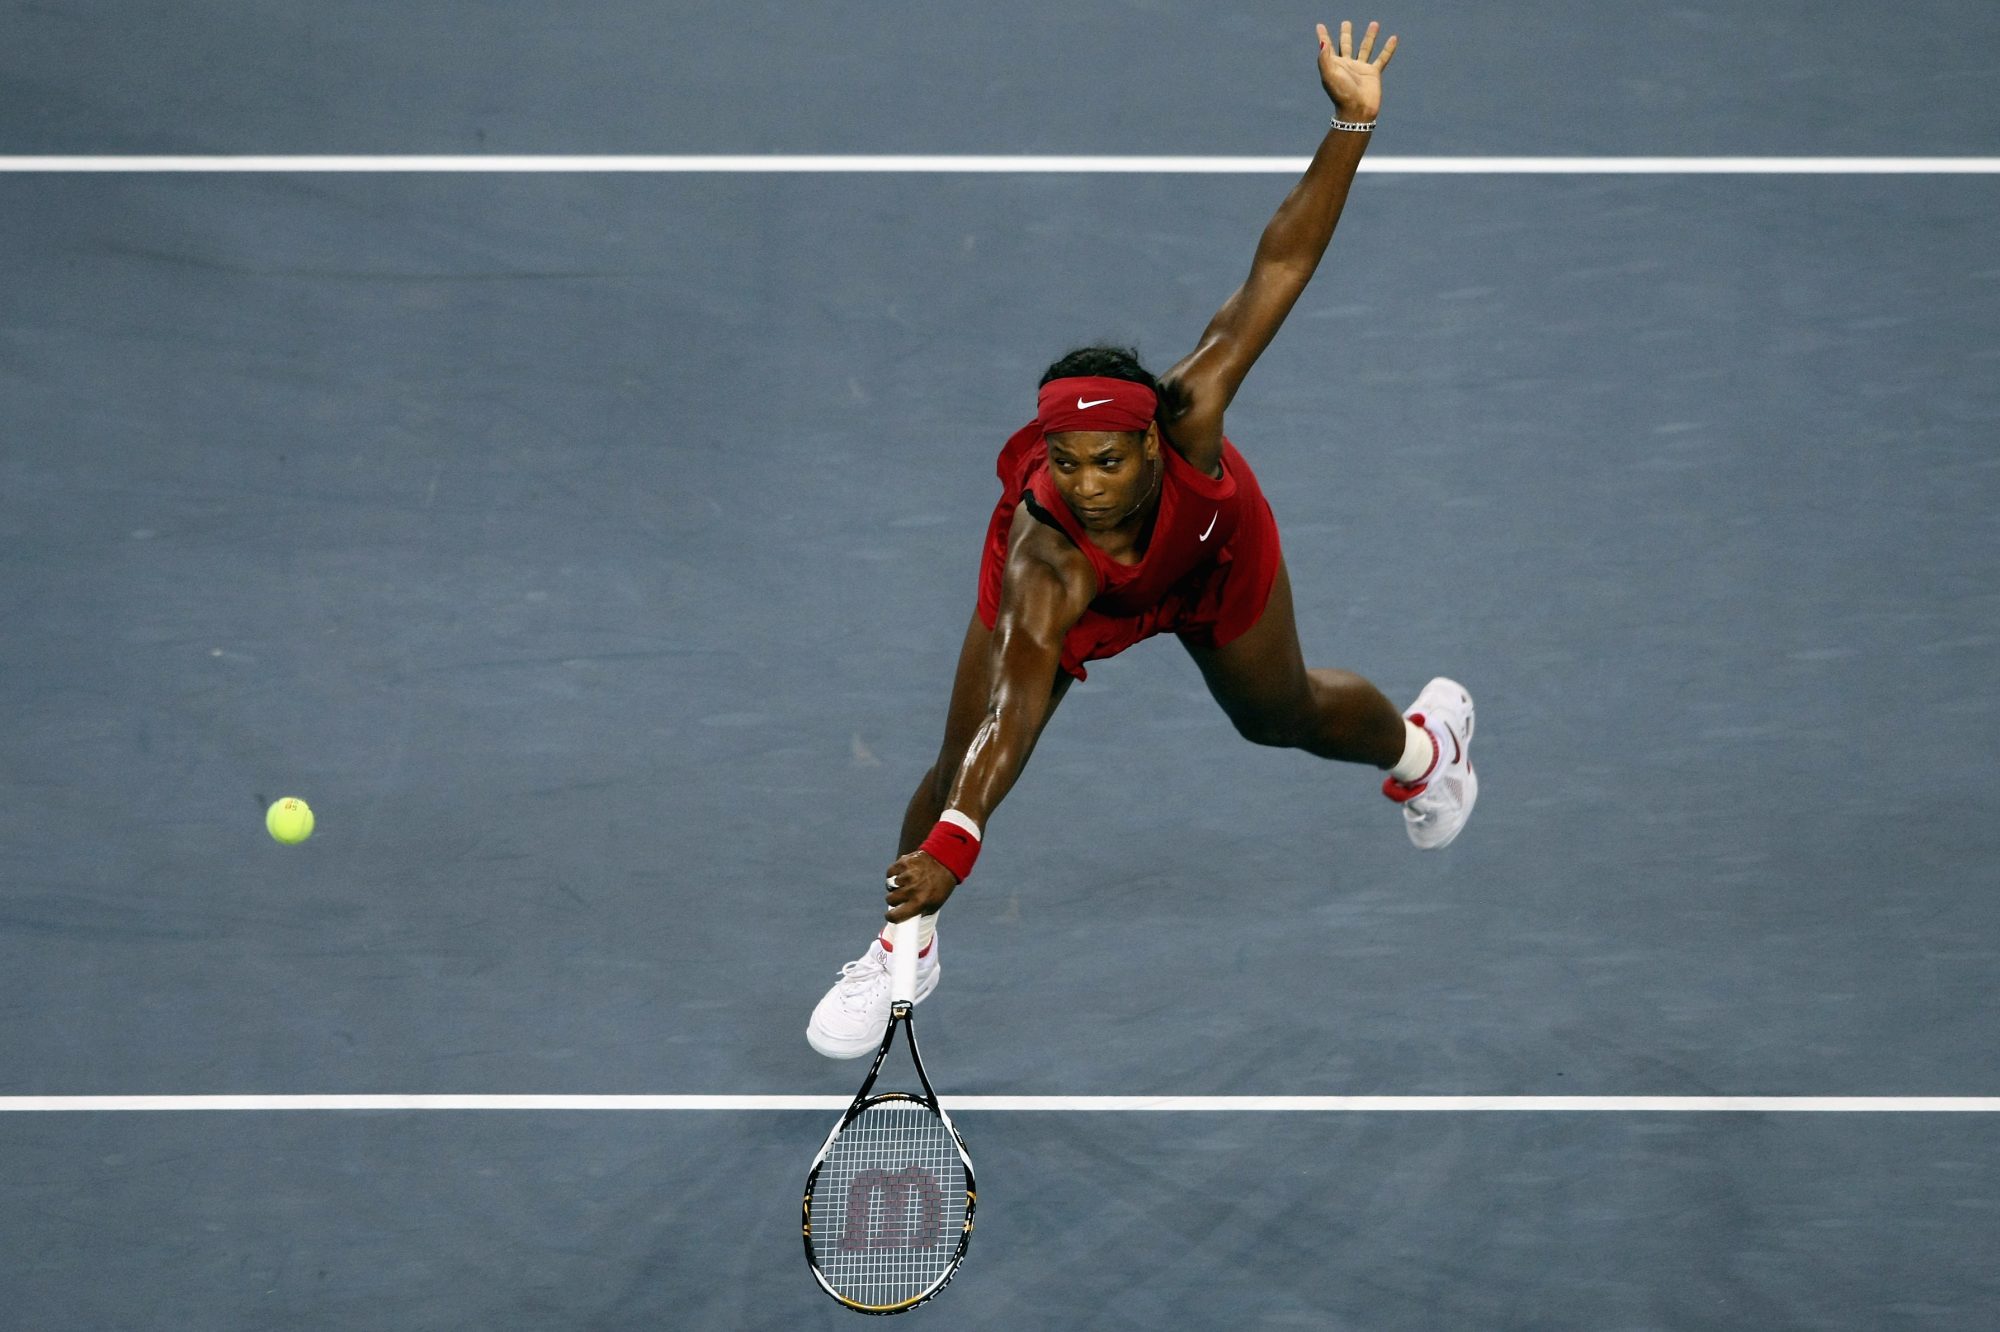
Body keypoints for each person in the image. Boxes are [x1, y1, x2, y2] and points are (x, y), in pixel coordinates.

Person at [809, 20, 1473, 1058]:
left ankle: (1426, 752)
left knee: (1279, 716)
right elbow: (1015, 708)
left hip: (1209, 560)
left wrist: (1349, 121)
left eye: (1106, 461)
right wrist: (951, 853)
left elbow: (1280, 264)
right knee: (958, 758)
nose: (1085, 481)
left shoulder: (1191, 408)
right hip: (1079, 603)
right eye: (1065, 462)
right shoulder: (1045, 553)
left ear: (1153, 442)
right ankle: (902, 944)